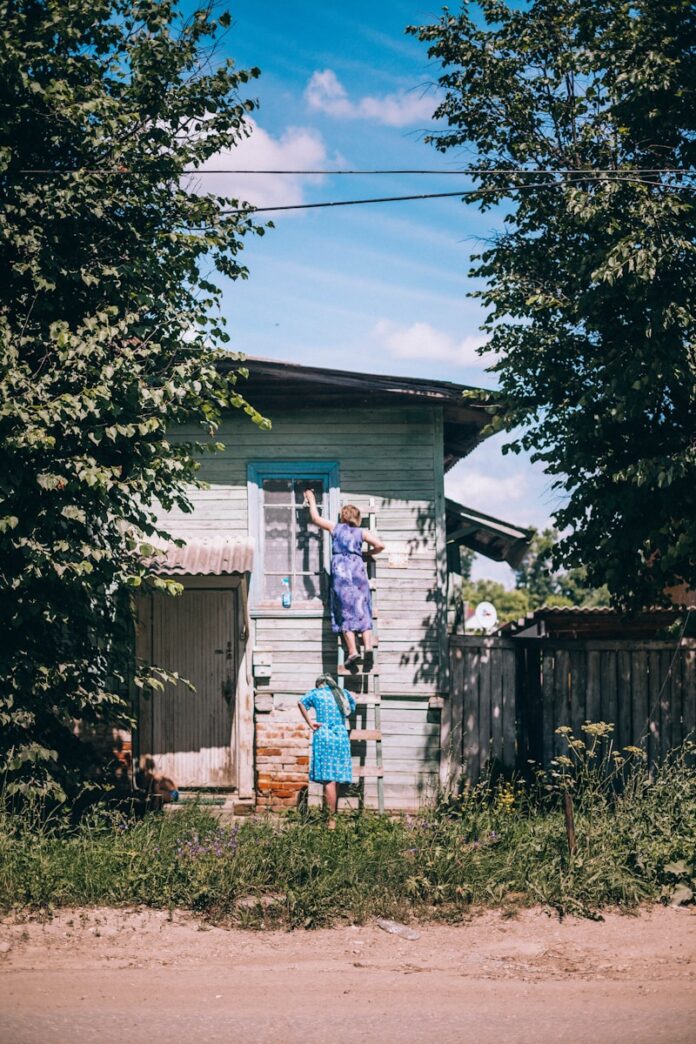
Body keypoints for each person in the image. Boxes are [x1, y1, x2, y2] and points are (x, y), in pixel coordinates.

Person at [304, 489, 384, 668]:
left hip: (341, 574)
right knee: (362, 608)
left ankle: (354, 651)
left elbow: (316, 519)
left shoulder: (336, 528)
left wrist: (311, 498)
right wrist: (366, 553)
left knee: (345, 612)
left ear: (343, 517)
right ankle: (368, 647)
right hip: (357, 571)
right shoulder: (361, 532)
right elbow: (380, 545)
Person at [298, 674, 356, 828]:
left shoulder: (316, 693)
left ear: (319, 684)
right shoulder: (343, 693)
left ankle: (331, 821)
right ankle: (332, 816)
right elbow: (352, 707)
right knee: (335, 779)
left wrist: (311, 722)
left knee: (329, 780)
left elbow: (301, 702)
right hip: (340, 735)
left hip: (325, 735)